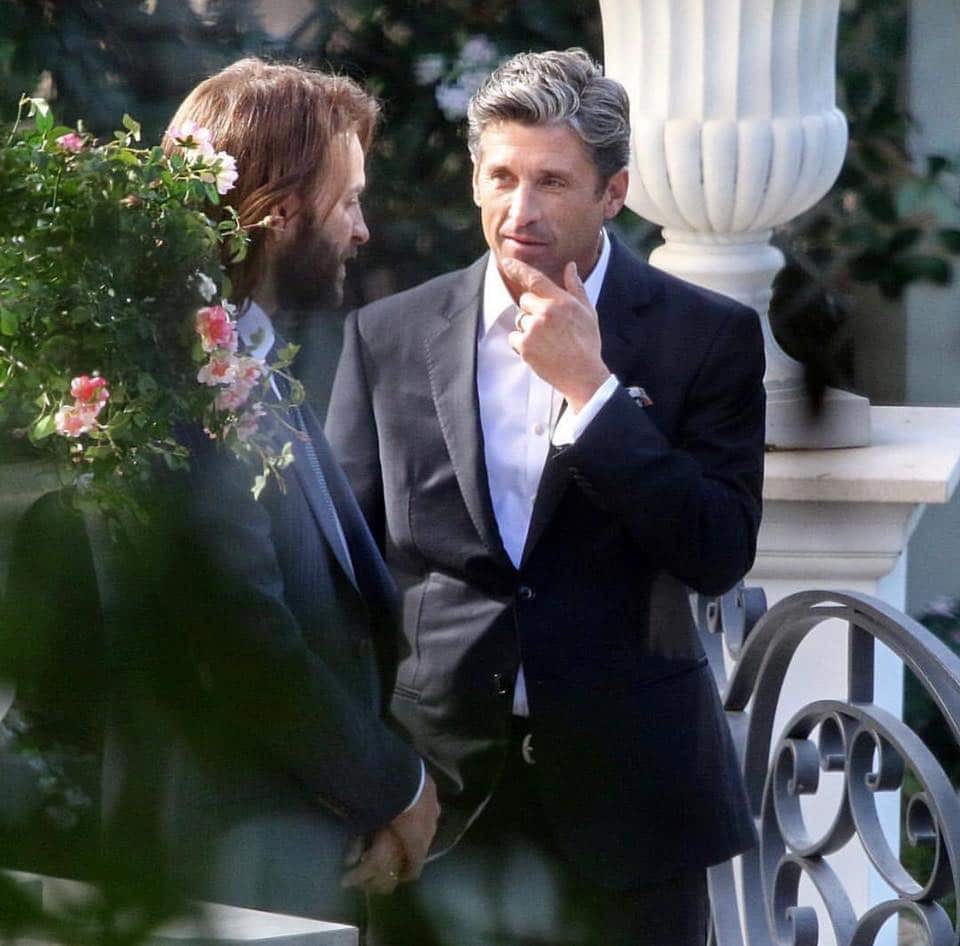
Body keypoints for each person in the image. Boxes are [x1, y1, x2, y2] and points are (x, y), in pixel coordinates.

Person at [326, 48, 764, 945]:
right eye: (502, 178)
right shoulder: (388, 335)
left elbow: (717, 549)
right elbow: (345, 580)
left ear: (614, 193)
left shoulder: (707, 336)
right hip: (437, 803)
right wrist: (369, 782)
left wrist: (593, 395)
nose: (520, 211)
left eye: (553, 182)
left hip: (634, 812)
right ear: (475, 181)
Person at [99, 58, 439, 925]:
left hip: (292, 842)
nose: (363, 230)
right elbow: (243, 638)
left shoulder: (245, 354)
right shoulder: (170, 383)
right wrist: (395, 789)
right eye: (348, 202)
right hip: (222, 860)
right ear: (282, 216)